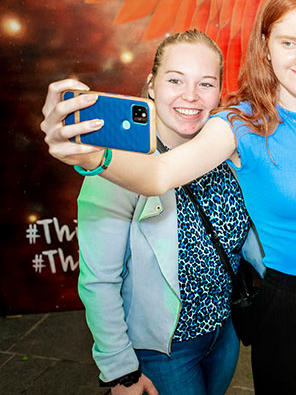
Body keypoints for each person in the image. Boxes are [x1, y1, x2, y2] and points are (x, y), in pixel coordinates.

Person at [41, 0, 296, 395]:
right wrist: (91, 157)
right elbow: (159, 175)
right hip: (285, 308)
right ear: (265, 46)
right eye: (287, 42)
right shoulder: (239, 125)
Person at [44, 30, 260, 395]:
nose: (190, 96)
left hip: (224, 334)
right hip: (163, 353)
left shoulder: (223, 151)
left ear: (220, 92)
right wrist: (120, 371)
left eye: (205, 83)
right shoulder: (119, 167)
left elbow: (245, 239)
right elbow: (100, 281)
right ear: (151, 86)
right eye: (175, 80)